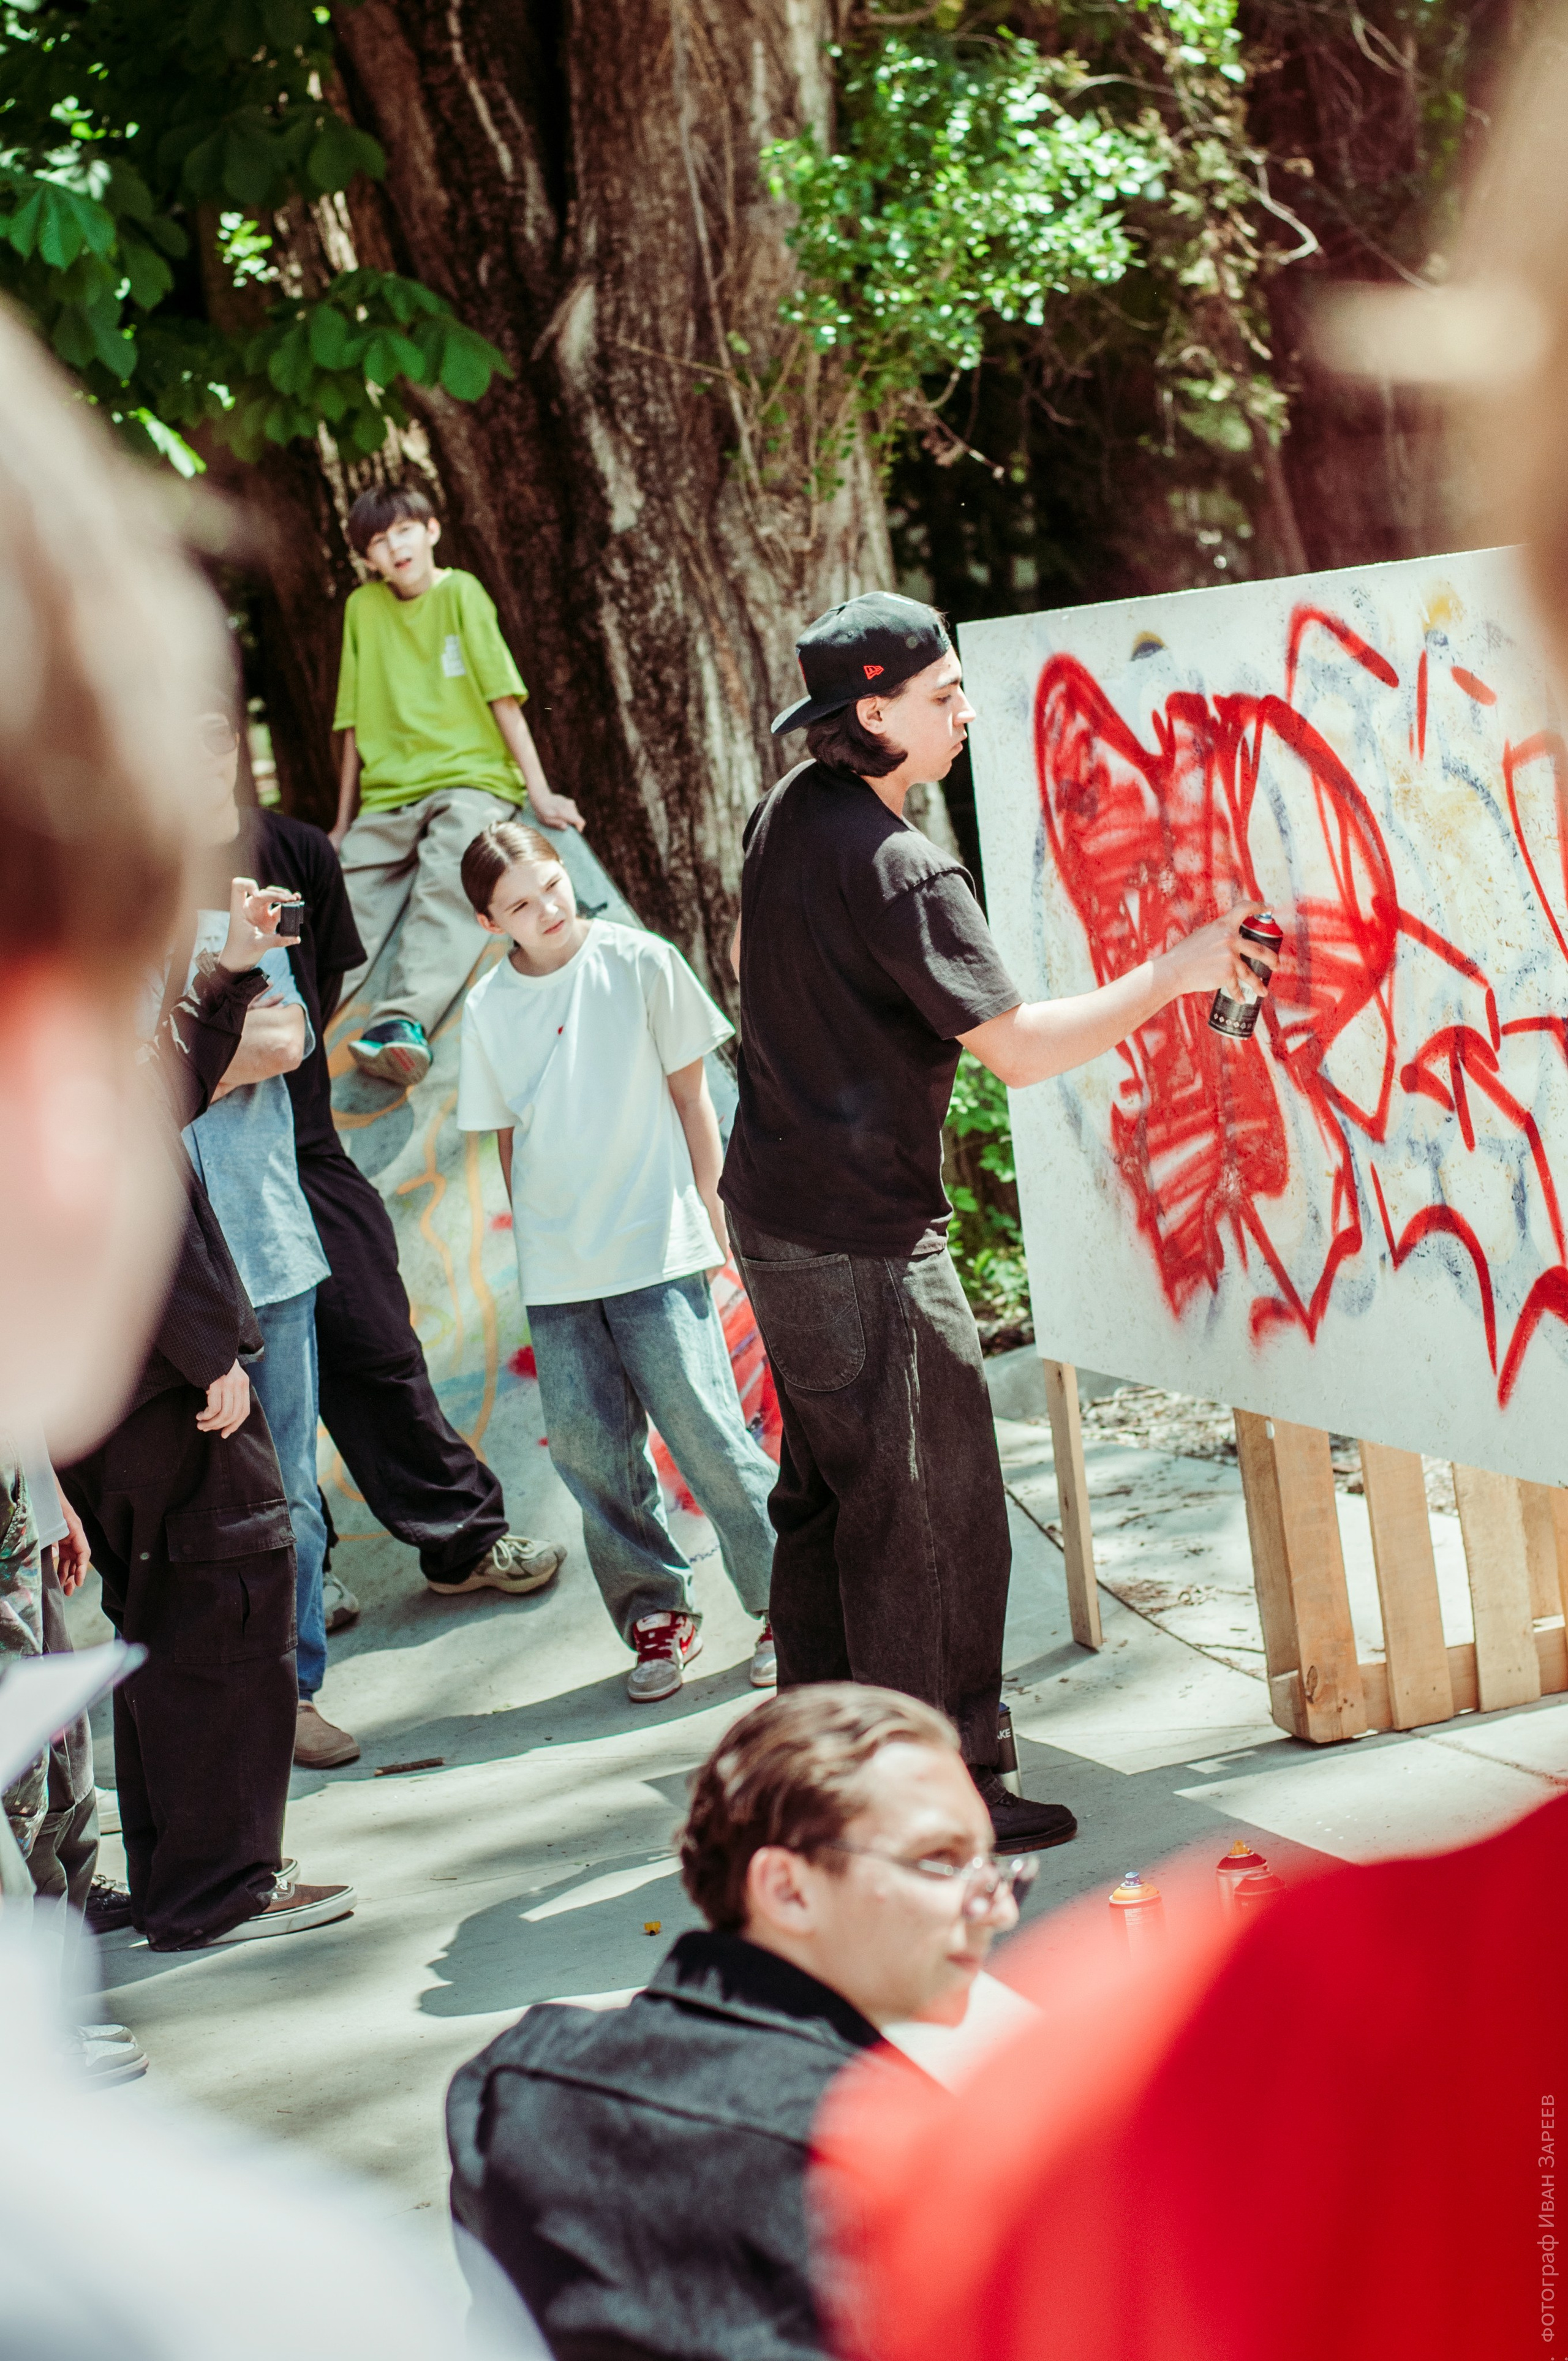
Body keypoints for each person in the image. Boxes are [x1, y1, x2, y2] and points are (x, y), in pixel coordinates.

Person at [719, 591, 1273, 1851]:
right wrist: (1177, 968)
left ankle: (814, 1784)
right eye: (942, 694)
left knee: (830, 1500)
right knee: (931, 1512)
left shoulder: (789, 813)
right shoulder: (900, 861)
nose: (966, 712)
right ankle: (938, 1796)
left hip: (775, 1207)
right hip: (854, 1233)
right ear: (873, 712)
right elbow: (1017, 1051)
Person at [448, 1682, 1032, 2360]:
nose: (997, 1910)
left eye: (994, 1869)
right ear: (787, 1889)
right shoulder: (906, 2163)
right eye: (942, 1862)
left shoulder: (513, 2087)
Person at [60, 868, 355, 1951]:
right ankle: (219, 1888)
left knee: (162, 1627)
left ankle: (180, 1880)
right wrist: (209, 1353)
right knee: (224, 1613)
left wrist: (231, 966)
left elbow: (158, 1084)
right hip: (160, 1385)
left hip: (110, 1391)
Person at [456, 821, 777, 1699]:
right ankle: (656, 1620)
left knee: (710, 1436)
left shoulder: (640, 962)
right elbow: (509, 1141)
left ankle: (786, 1604)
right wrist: (540, 1248)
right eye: (520, 903)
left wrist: (714, 1222)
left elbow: (694, 1101)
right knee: (596, 1458)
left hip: (658, 1245)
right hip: (560, 1274)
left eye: (551, 884)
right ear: (491, 923)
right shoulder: (487, 1009)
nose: (547, 907)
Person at [242, 796, 568, 1607]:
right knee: (240, 1390)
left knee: (376, 1338)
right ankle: (299, 1582)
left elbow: (322, 977)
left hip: (305, 1145)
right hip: (193, 1166)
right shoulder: (134, 861)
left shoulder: (294, 847)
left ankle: (462, 1544)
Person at [173, 706, 363, 1769]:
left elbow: (287, 1037)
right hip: (158, 1275)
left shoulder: (250, 914)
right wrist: (210, 1045)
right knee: (186, 1514)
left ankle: (292, 1697)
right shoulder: (109, 917)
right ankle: (205, 1717)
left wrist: (172, 1056)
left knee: (288, 1489)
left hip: (270, 1251)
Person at [329, 480, 586, 1088]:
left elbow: (503, 696)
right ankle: (297, 1015)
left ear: (431, 530)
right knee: (346, 894)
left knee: (450, 875)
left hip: (469, 781)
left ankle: (400, 1024)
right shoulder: (362, 609)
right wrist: (342, 823)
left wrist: (539, 791)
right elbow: (349, 721)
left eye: (403, 531)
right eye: (378, 542)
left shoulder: (461, 593)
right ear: (366, 558)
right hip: (389, 793)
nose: (394, 548)